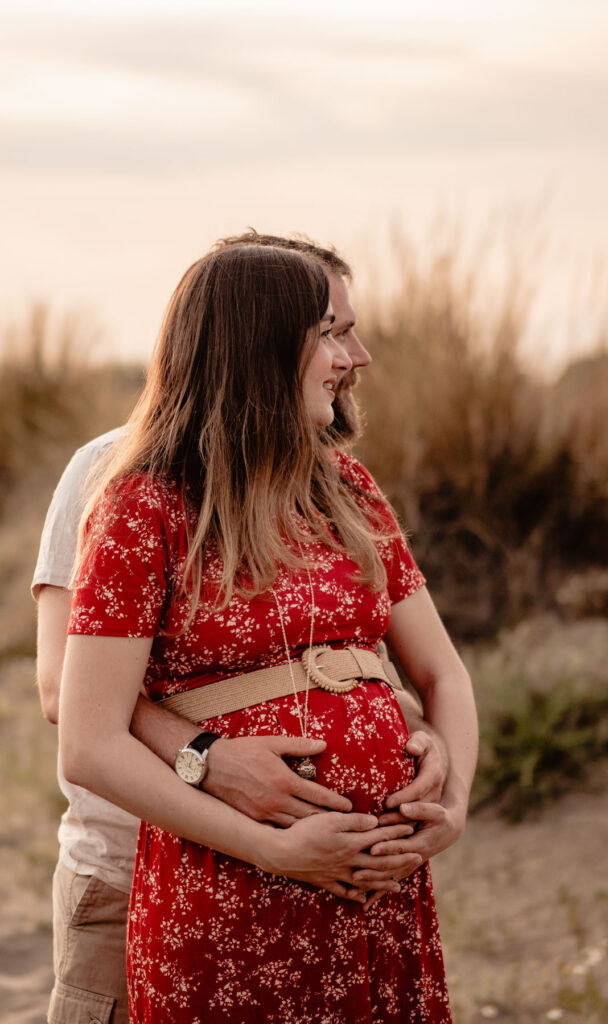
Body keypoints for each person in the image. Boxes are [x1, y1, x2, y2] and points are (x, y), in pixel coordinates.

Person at [34, 235, 454, 1023]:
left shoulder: (338, 488)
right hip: (149, 863)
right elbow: (70, 699)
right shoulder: (119, 482)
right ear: (258, 337)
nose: (355, 355)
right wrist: (207, 760)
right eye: (330, 329)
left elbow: (357, 656)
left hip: (356, 883)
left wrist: (408, 730)